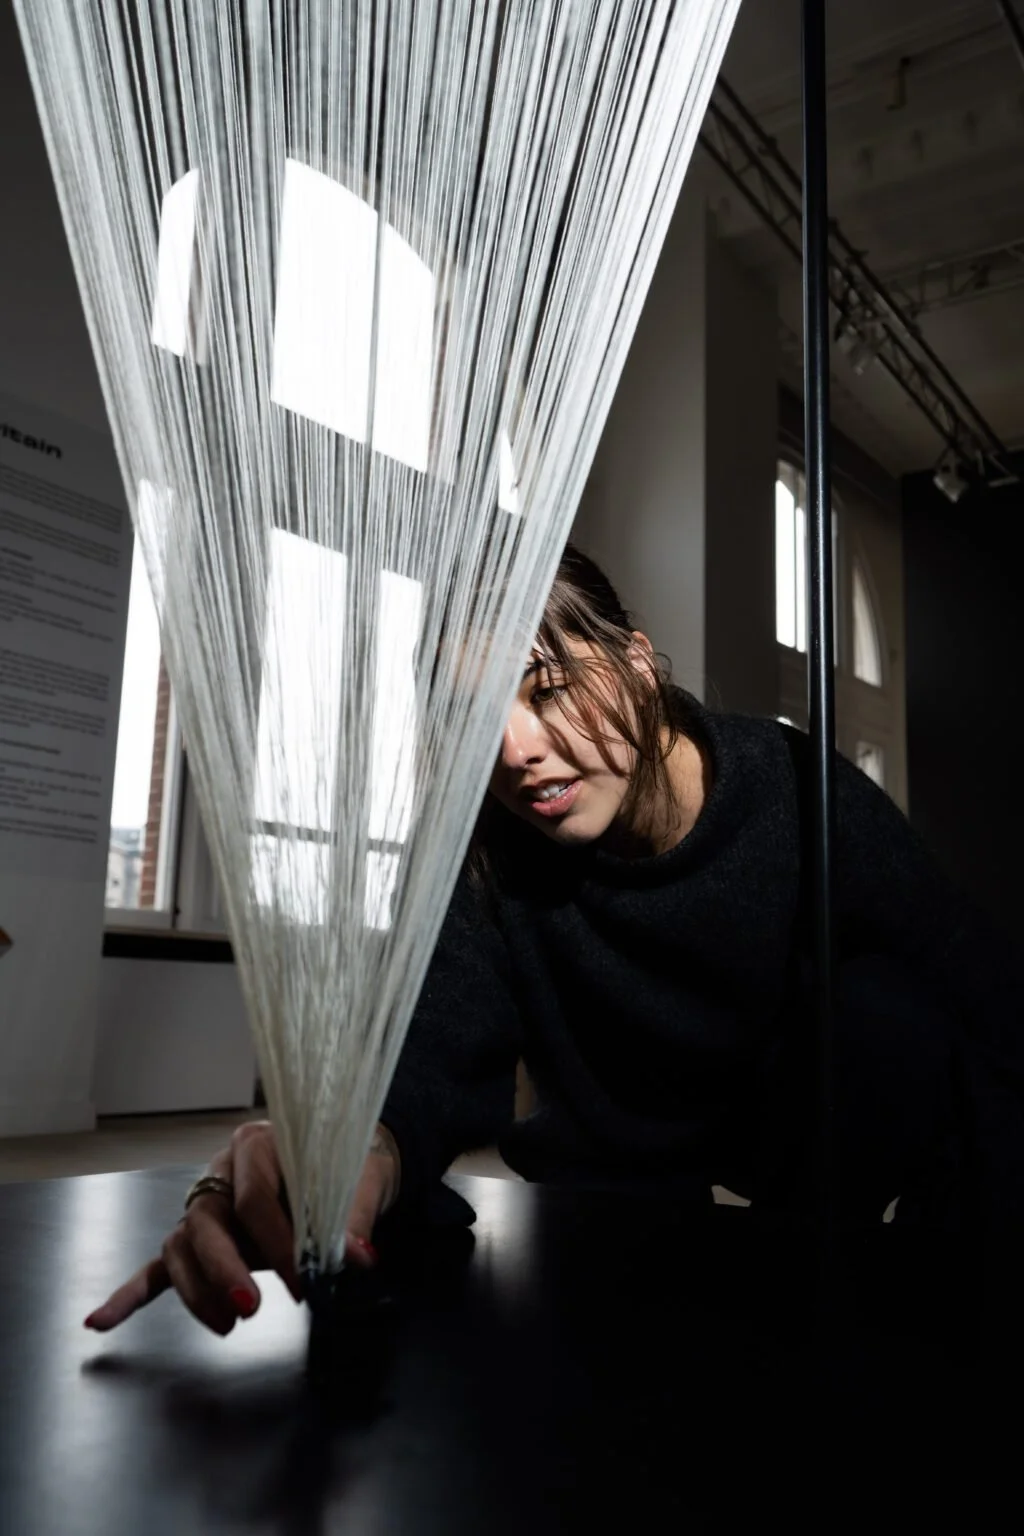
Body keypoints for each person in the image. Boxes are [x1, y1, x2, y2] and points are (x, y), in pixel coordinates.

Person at [85, 545, 1024, 1337]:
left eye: (546, 687)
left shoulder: (796, 793)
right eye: (473, 718)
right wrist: (340, 1146)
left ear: (640, 663)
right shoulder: (488, 850)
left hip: (815, 1159)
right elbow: (432, 1050)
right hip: (618, 1188)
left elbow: (980, 1005)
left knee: (896, 1014)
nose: (514, 749)